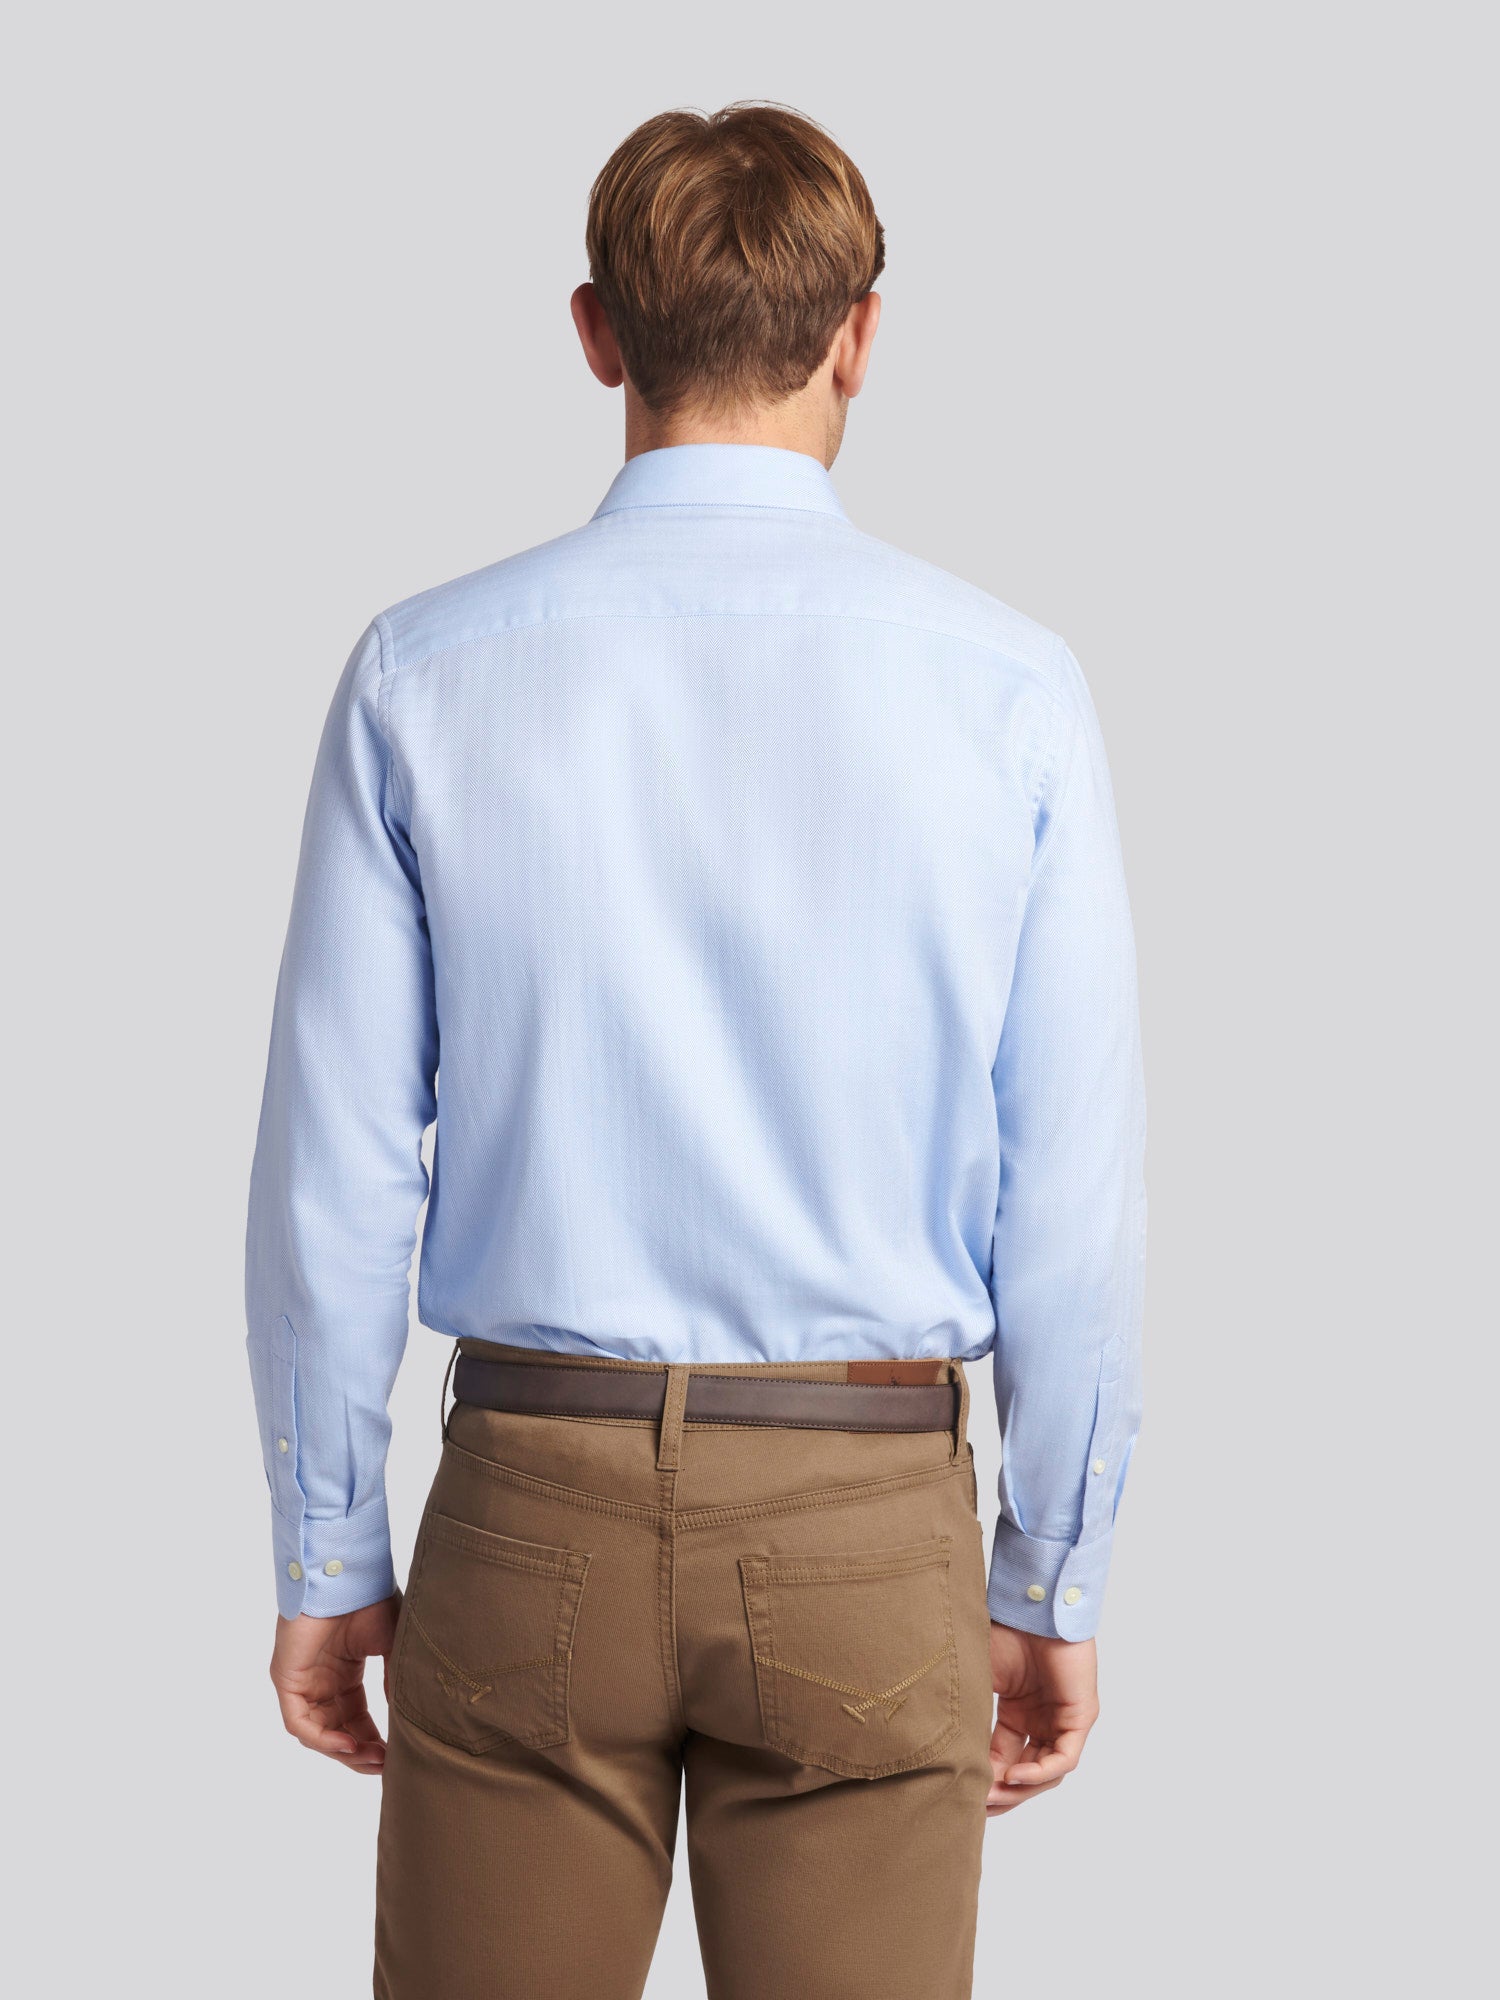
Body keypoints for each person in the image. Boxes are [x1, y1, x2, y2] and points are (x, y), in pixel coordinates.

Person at [246, 101, 1145, 2000]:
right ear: (861, 338)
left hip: (530, 1511)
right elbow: (1071, 1196)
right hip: (866, 1515)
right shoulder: (1011, 693)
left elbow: (336, 1168)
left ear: (598, 335)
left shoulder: (423, 672)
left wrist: (330, 1556)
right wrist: (1049, 1572)